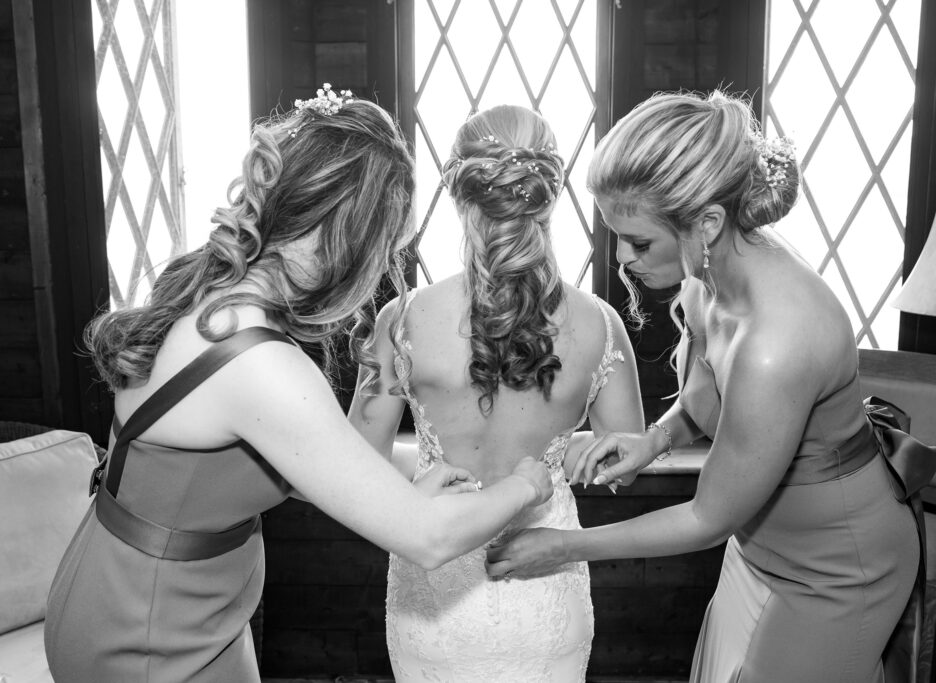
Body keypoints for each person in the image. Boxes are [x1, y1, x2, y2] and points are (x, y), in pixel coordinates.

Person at [43, 86, 554, 683]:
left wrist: (406, 482)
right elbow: (428, 539)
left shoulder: (211, 297)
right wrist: (524, 485)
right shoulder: (259, 363)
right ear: (347, 240)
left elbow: (300, 463)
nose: (379, 272)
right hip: (147, 628)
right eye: (383, 249)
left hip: (171, 600)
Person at [483, 91, 922, 683]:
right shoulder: (705, 277)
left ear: (707, 223)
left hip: (838, 568)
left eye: (640, 242)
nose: (623, 261)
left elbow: (706, 518)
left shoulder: (776, 343)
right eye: (615, 237)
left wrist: (562, 546)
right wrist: (655, 439)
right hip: (759, 543)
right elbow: (705, 400)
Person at [349, 104, 644, 682]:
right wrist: (565, 446)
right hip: (544, 583)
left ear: (460, 197)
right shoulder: (600, 325)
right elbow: (624, 466)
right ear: (549, 195)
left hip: (435, 584)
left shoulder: (403, 320)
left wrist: (427, 466)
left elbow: (357, 464)